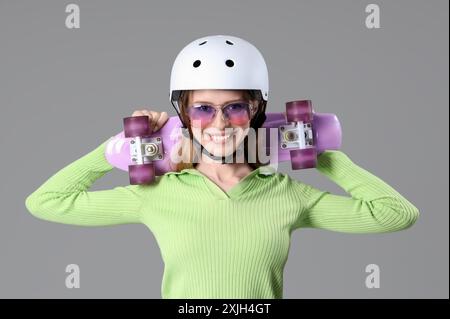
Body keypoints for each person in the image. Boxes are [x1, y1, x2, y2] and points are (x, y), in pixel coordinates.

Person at [25, 35, 419, 299]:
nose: (217, 124)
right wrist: (116, 147)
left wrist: (324, 154)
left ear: (256, 110)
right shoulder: (159, 194)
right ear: (183, 114)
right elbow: (46, 202)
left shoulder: (286, 194)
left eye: (234, 107)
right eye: (202, 109)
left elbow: (395, 215)